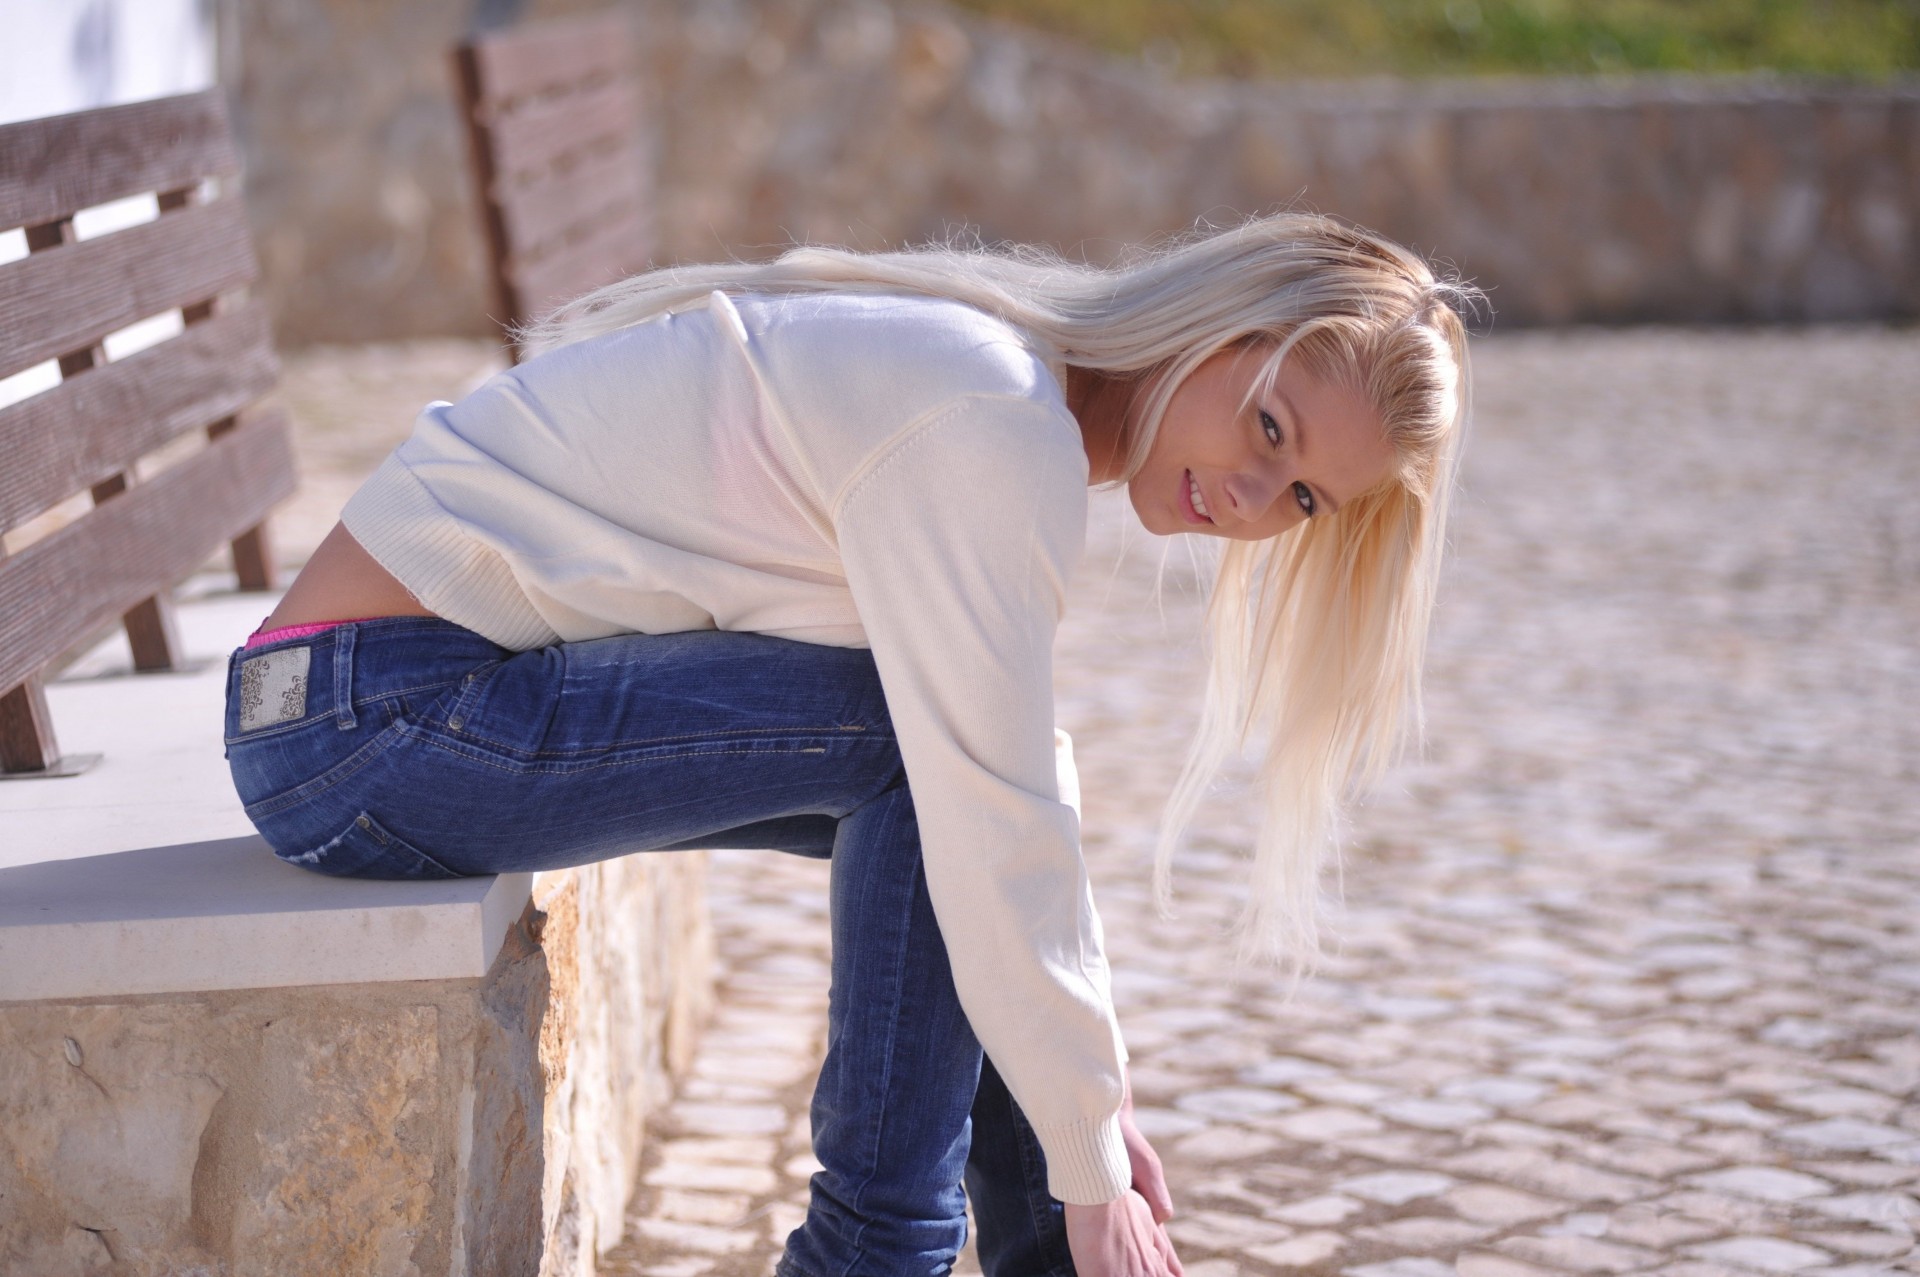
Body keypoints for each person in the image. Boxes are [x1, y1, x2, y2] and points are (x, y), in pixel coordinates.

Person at [222, 212, 1471, 1277]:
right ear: (1226, 324)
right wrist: (1089, 1153)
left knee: (949, 759)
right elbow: (986, 795)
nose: (1258, 500)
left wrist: (1092, 1106)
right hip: (365, 718)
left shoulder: (1004, 384)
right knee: (929, 760)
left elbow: (1003, 781)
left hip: (350, 710)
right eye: (1270, 430)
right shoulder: (994, 417)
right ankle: (875, 1251)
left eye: (1304, 497)